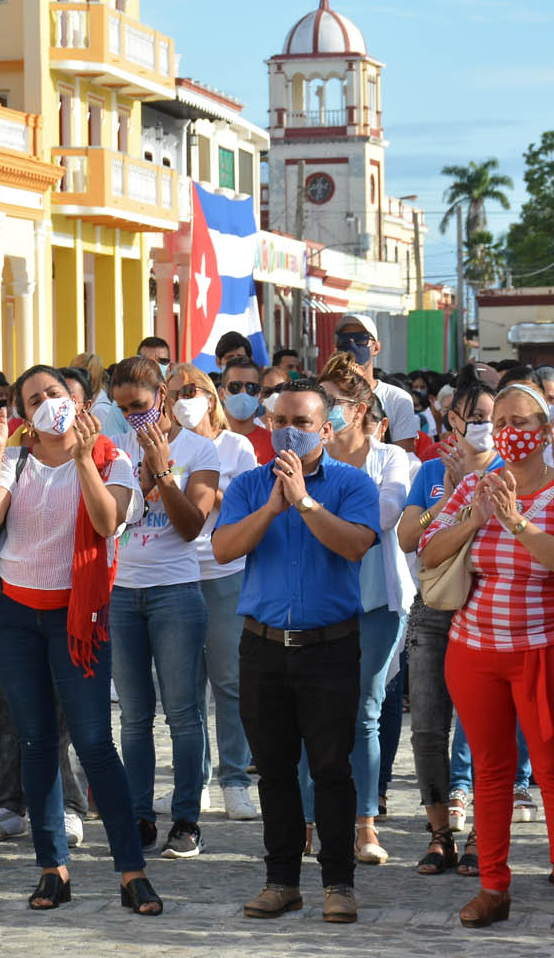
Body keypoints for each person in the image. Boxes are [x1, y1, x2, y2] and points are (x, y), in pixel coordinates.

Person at [0, 365, 160, 915]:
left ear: (75, 400)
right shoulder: (15, 458)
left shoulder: (110, 459)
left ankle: (131, 871)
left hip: (77, 621)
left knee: (96, 743)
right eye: (34, 399)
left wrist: (81, 459)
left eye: (54, 393)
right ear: (23, 412)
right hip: (12, 616)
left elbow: (106, 523)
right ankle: (53, 868)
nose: (46, 403)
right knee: (36, 742)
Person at [418, 379, 554, 935]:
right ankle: (493, 887)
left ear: (544, 432)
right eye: (502, 424)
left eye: (522, 424)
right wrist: (474, 518)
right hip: (474, 652)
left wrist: (516, 521)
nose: (511, 434)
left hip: (546, 651)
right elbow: (428, 549)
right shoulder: (475, 483)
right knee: (491, 773)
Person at [213, 379, 379, 924]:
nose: (289, 429)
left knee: (331, 769)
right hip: (262, 648)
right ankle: (281, 880)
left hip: (329, 648)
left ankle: (339, 884)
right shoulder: (248, 484)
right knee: (276, 771)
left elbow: (356, 545)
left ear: (327, 429)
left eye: (303, 421)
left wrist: (305, 502)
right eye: (280, 419)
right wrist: (273, 506)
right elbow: (223, 548)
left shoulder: (353, 484)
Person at [104, 359, 218, 859]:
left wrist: (165, 471)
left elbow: (192, 524)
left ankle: (187, 819)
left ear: (163, 400)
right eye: (123, 408)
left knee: (183, 713)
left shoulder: (201, 449)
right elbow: (108, 521)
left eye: (141, 406)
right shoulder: (115, 448)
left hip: (175, 590)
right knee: (133, 715)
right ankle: (140, 815)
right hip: (122, 591)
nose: (134, 417)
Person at [396, 376, 497, 875]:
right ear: (451, 420)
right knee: (429, 728)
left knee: (485, 731)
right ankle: (440, 834)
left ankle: (484, 835)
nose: (484, 427)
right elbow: (406, 538)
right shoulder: (431, 470)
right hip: (433, 609)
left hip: (490, 610)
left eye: (490, 417)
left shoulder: (509, 470)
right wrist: (450, 497)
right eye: (474, 418)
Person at [316, 354, 414, 865]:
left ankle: (365, 826)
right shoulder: (309, 455)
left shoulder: (393, 460)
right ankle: (310, 822)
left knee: (365, 713)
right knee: (311, 715)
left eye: (331, 403)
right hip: (314, 600)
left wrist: (316, 511)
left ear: (357, 411)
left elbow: (383, 514)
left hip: (378, 602)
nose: (322, 411)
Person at [183, 364, 261, 822]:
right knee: (184, 688)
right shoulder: (168, 445)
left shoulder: (237, 445)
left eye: (191, 391)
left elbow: (246, 503)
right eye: (173, 392)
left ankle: (235, 779)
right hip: (175, 573)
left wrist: (206, 491)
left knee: (228, 680)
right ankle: (194, 783)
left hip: (225, 569)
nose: (181, 400)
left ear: (211, 397)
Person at [331, 316, 418, 451]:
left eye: (361, 338)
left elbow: (405, 455)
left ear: (376, 347)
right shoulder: (323, 395)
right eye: (343, 339)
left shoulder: (397, 398)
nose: (351, 344)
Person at [221, 356, 276, 465]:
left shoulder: (273, 445)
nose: (243, 392)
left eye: (251, 387)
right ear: (222, 393)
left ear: (260, 396)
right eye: (235, 386)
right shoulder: (206, 440)